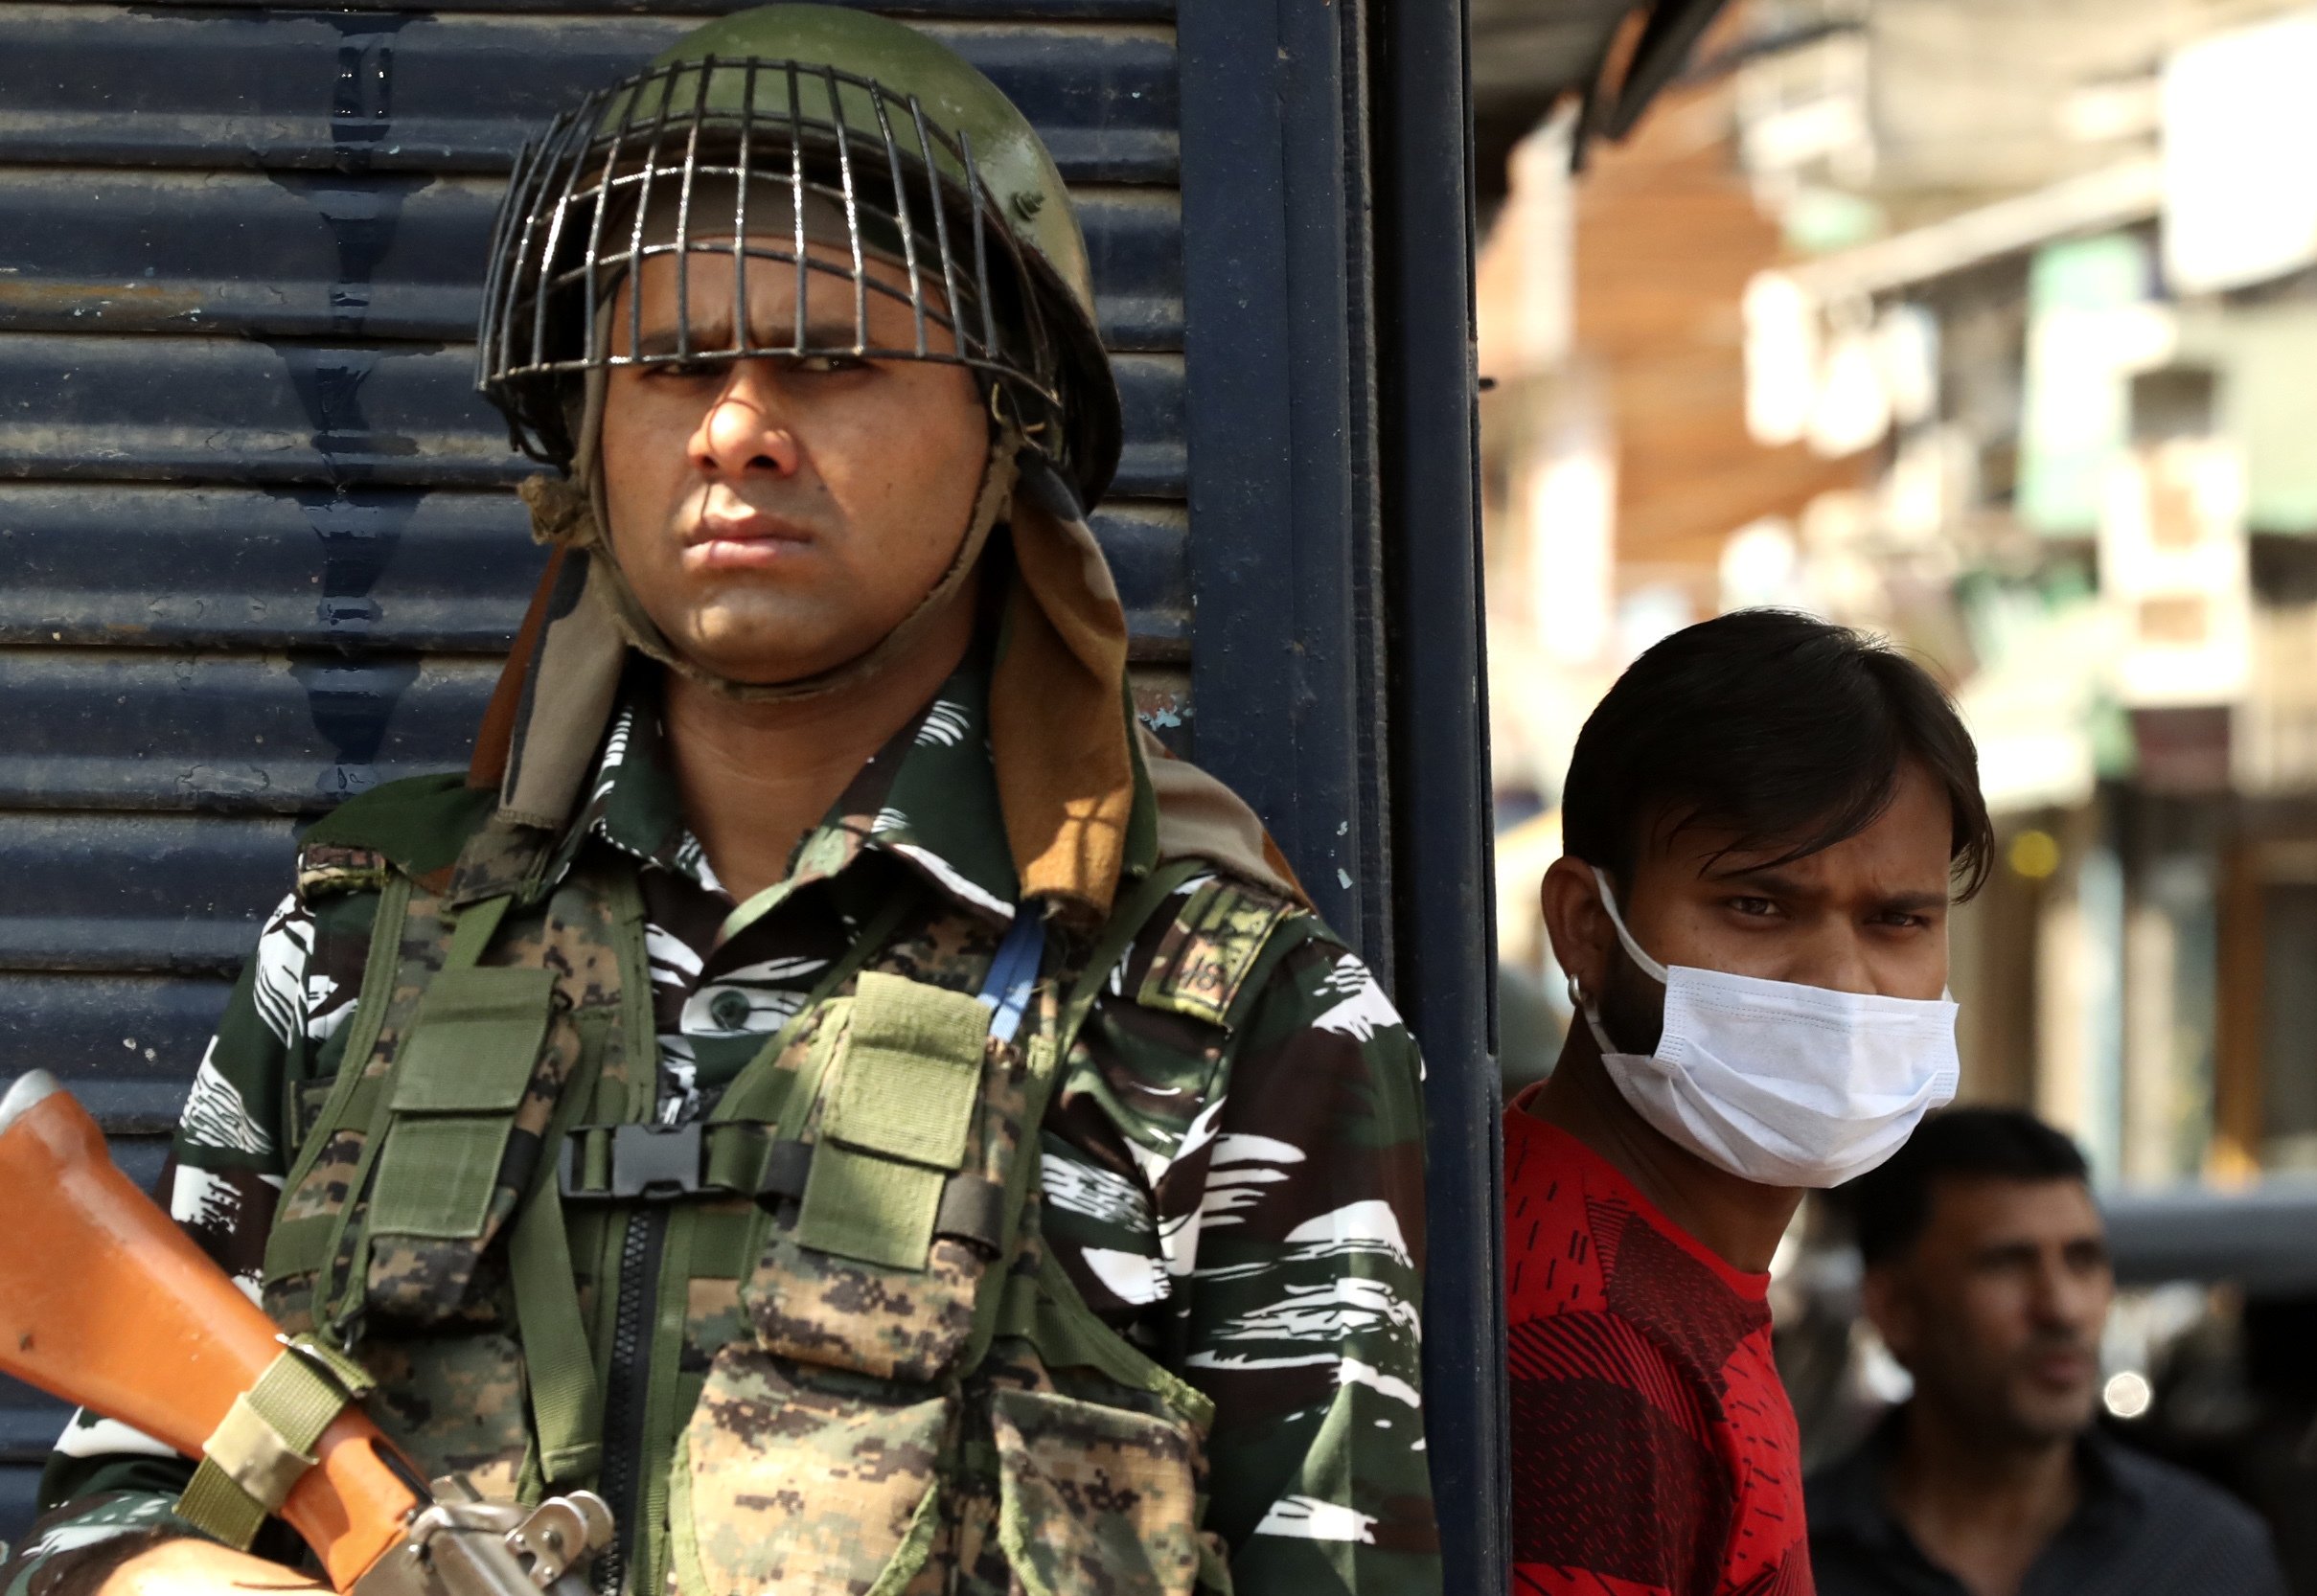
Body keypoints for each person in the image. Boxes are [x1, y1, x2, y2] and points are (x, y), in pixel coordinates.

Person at [0, 11, 1437, 1594]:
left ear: (1006, 430)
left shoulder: (1227, 1012)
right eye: (672, 366)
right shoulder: (359, 939)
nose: (736, 430)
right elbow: (111, 1507)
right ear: (581, 443)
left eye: (832, 364)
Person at [1505, 608, 1992, 1596]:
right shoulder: (1589, 1338)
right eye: (1758, 906)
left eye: (1897, 919)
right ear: (1586, 928)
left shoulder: (1642, 1267)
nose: (1841, 982)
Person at [1809, 1108, 2288, 1596]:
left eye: (2083, 1260)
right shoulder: (1783, 1559)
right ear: (1895, 1307)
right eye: (2005, 1263)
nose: (2062, 1309)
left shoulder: (2207, 1556)